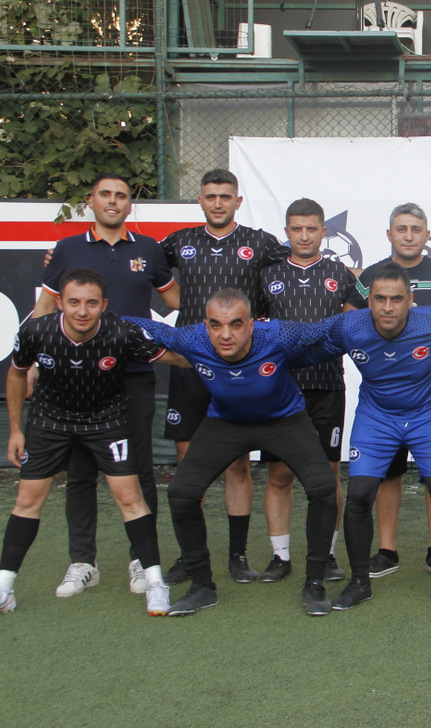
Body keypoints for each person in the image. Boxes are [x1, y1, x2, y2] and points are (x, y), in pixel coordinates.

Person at [0, 270, 178, 621]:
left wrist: (228, 357)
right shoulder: (37, 331)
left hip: (107, 421)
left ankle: (156, 583)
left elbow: (178, 357)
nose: (82, 311)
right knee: (27, 501)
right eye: (74, 302)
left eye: (91, 303)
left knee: (130, 498)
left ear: (103, 305)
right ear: (60, 303)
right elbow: (16, 373)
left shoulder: (122, 333)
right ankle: (2, 591)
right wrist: (15, 430)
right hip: (50, 422)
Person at [125, 289, 342, 616]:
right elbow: (149, 328)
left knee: (323, 487)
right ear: (206, 326)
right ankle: (202, 586)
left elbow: (328, 329)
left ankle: (314, 583)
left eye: (236, 324)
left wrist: (373, 323)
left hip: (283, 420)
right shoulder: (192, 338)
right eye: (216, 325)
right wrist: (102, 319)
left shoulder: (278, 334)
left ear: (252, 324)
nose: (225, 334)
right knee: (182, 493)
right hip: (225, 422)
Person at [31, 173, 179, 598]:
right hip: (75, 379)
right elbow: (45, 306)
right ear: (92, 201)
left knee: (140, 468)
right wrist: (35, 361)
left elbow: (177, 301)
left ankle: (141, 558)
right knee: (80, 473)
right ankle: (83, 562)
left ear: (130, 205)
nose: (113, 201)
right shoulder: (67, 248)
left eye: (121, 196)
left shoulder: (149, 249)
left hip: (134, 375)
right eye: (105, 194)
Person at [159, 169, 287, 586]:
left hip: (238, 368)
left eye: (225, 196)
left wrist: (353, 273)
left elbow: (301, 265)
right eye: (211, 196)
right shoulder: (179, 241)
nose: (218, 203)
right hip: (190, 363)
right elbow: (140, 267)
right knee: (188, 464)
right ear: (200, 200)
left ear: (238, 201)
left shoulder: (260, 242)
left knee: (237, 462)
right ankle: (190, 556)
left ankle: (237, 554)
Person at [327, 262, 431, 609]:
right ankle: (359, 582)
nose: (388, 307)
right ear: (369, 300)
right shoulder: (351, 324)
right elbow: (307, 338)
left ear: (410, 299)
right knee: (359, 495)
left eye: (396, 299)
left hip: (428, 415)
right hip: (377, 417)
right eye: (380, 298)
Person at [354, 203, 431, 580]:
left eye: (415, 229)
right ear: (389, 234)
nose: (408, 235)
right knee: (388, 473)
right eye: (401, 229)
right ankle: (387, 550)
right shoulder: (372, 276)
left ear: (427, 235)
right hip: (383, 394)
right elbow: (350, 320)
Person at [255, 198, 363, 584]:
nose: (304, 236)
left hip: (328, 385)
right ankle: (280, 556)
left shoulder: (340, 274)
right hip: (279, 388)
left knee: (328, 473)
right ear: (287, 232)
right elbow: (253, 328)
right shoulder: (267, 275)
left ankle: (327, 554)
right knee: (280, 474)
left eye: (311, 229)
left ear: (323, 232)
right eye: (297, 229)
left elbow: (356, 324)